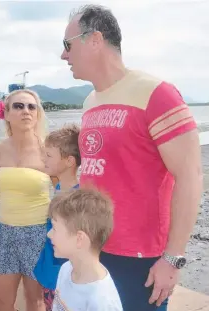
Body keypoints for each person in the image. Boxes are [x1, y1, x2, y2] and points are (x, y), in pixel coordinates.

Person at [61, 5, 202, 310]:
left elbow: (190, 176)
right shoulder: (90, 102)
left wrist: (172, 258)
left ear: (95, 39)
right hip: (92, 247)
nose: (63, 56)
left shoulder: (157, 94)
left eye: (67, 45)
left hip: (139, 258)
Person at [0, 89, 50, 311]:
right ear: (6, 114)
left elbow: (65, 192)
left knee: (36, 302)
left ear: (38, 114)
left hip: (38, 234)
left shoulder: (49, 149)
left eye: (31, 107)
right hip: (3, 233)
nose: (26, 111)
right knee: (2, 302)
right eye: (19, 106)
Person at [47, 188, 122, 310]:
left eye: (54, 228)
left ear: (79, 239)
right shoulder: (66, 269)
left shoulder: (102, 301)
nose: (49, 234)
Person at [33, 124, 80, 310]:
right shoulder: (60, 189)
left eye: (49, 155)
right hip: (51, 272)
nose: (43, 159)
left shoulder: (76, 198)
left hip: (63, 276)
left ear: (69, 161)